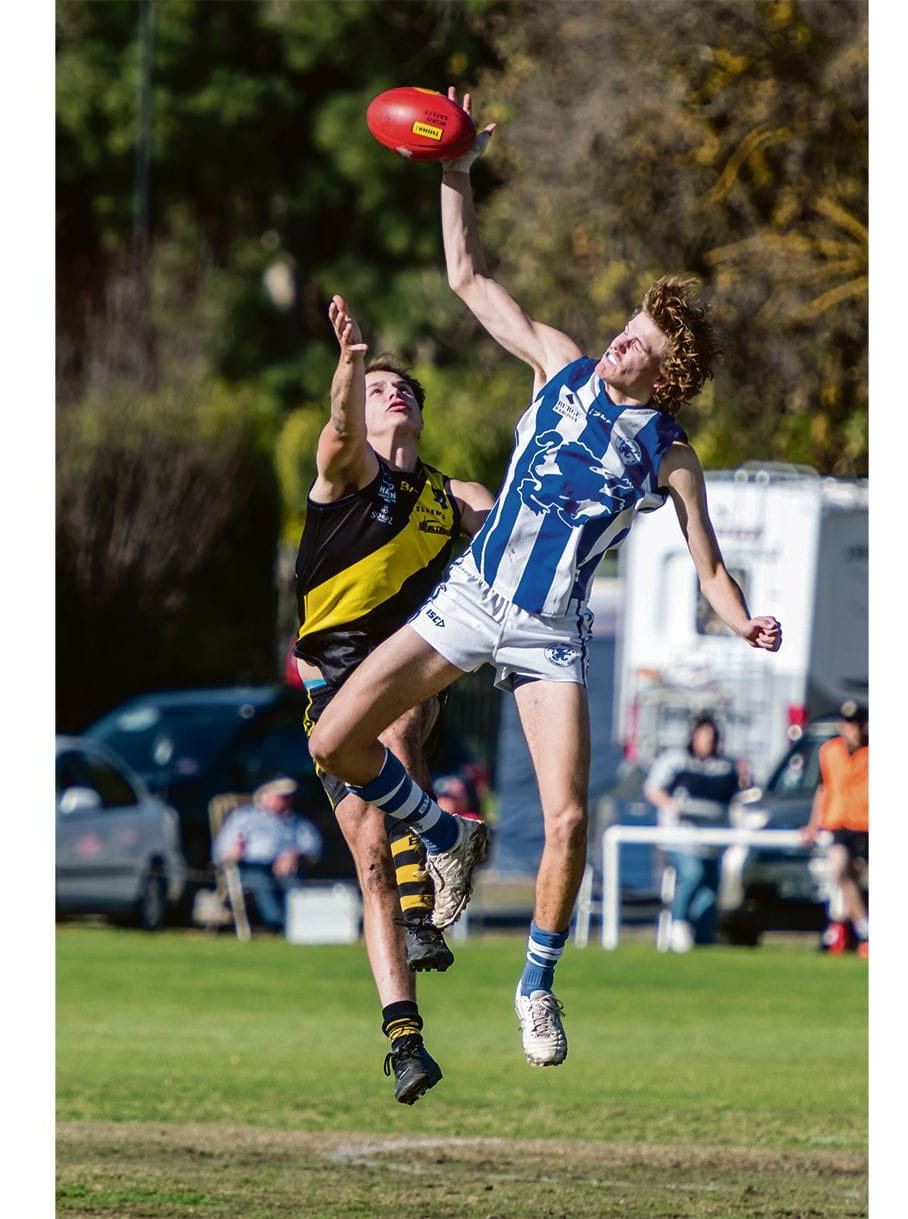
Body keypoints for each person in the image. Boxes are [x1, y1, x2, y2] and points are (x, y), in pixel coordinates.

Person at [309, 88, 783, 1071]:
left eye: (647, 340)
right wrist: (454, 170)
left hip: (547, 631)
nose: (625, 336)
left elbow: (707, 564)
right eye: (629, 323)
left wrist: (741, 624)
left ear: (665, 370)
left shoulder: (667, 450)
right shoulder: (557, 363)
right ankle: (447, 835)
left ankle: (534, 982)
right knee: (332, 738)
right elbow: (465, 274)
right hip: (467, 598)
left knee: (569, 816)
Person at [294, 294, 494, 1105]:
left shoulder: (455, 497)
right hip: (327, 693)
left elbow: (522, 524)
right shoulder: (346, 473)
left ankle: (426, 904)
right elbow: (338, 429)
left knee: (402, 713)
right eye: (381, 389)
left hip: (401, 680)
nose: (394, 393)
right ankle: (406, 1041)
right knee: (370, 860)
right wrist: (349, 364)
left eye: (402, 387)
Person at [643, 713, 742, 952]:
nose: (708, 742)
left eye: (712, 737)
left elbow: (739, 796)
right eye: (704, 736)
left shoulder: (727, 766)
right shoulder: (676, 761)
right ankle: (678, 923)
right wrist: (672, 806)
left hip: (714, 840)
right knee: (692, 875)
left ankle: (704, 939)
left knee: (710, 891)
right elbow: (653, 789)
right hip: (682, 837)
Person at [800, 700, 869, 956]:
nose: (852, 730)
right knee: (839, 870)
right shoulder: (830, 751)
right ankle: (863, 929)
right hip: (840, 823)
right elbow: (823, 788)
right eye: (847, 724)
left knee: (853, 881)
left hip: (865, 824)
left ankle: (840, 929)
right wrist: (812, 823)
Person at [211, 777, 323, 933]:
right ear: (265, 796)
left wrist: (295, 853)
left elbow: (313, 846)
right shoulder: (244, 817)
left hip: (285, 866)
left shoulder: (296, 821)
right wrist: (233, 852)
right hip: (250, 865)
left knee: (292, 881)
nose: (287, 800)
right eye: (281, 796)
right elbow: (221, 850)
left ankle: (299, 923)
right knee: (260, 879)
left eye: (289, 797)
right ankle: (276, 924)